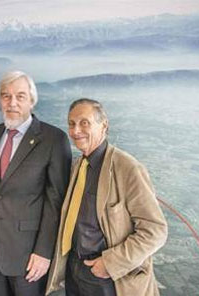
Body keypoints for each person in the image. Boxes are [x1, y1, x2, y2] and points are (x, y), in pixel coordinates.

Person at [46, 98, 168, 296]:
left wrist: (110, 263)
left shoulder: (128, 168)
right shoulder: (78, 166)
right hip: (74, 271)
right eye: (71, 124)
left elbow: (155, 231)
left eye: (84, 123)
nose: (76, 131)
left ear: (104, 126)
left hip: (109, 277)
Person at [0, 71, 72, 296]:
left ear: (32, 100)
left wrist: (44, 252)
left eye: (20, 96)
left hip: (29, 256)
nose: (12, 103)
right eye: (6, 96)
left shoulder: (53, 139)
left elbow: (56, 201)